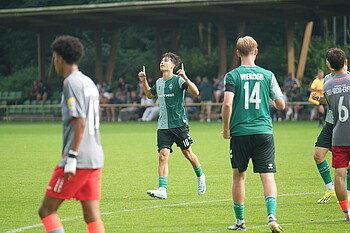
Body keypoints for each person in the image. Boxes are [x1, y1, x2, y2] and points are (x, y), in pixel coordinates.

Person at [38, 35, 105, 233]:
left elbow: (80, 120)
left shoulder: (71, 83)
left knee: (46, 210)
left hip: (79, 159)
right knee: (92, 216)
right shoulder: (89, 82)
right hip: (95, 158)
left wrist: (72, 157)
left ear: (59, 58)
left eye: (53, 57)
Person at [221, 36, 285, 232]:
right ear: (256, 51)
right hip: (264, 131)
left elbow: (227, 103)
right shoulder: (268, 75)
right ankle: (272, 217)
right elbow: (281, 104)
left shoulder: (232, 75)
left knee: (239, 176)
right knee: (267, 176)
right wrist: (270, 100)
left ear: (237, 53)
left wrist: (226, 128)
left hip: (240, 132)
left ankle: (240, 222)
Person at [138, 52, 206, 199]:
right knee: (163, 156)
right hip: (163, 126)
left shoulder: (178, 81)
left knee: (188, 154)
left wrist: (185, 77)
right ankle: (162, 189)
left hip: (179, 125)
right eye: (162, 60)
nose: (162, 62)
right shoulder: (159, 82)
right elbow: (150, 95)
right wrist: (144, 81)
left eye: (166, 61)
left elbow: (196, 92)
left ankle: (200, 177)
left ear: (173, 66)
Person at [323, 48, 350, 220]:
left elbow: (332, 109)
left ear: (329, 66)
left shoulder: (327, 85)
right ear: (345, 62)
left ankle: (347, 212)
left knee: (340, 175)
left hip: (339, 135)